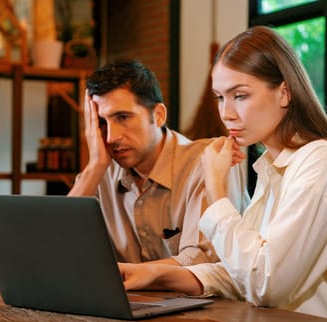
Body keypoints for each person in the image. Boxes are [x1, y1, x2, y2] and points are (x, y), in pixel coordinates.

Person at [118, 26, 327, 322]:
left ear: (284, 92)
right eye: (220, 97)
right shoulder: (272, 168)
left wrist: (217, 191)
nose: (227, 113)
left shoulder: (323, 161)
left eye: (241, 96)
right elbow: (243, 272)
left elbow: (266, 284)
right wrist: (154, 274)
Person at [68, 59, 249, 266]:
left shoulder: (209, 162)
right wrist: (95, 166)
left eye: (122, 117)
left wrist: (123, 275)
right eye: (101, 122)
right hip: (128, 298)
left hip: (218, 299)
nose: (111, 137)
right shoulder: (102, 173)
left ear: (159, 115)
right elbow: (55, 246)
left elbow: (202, 263)